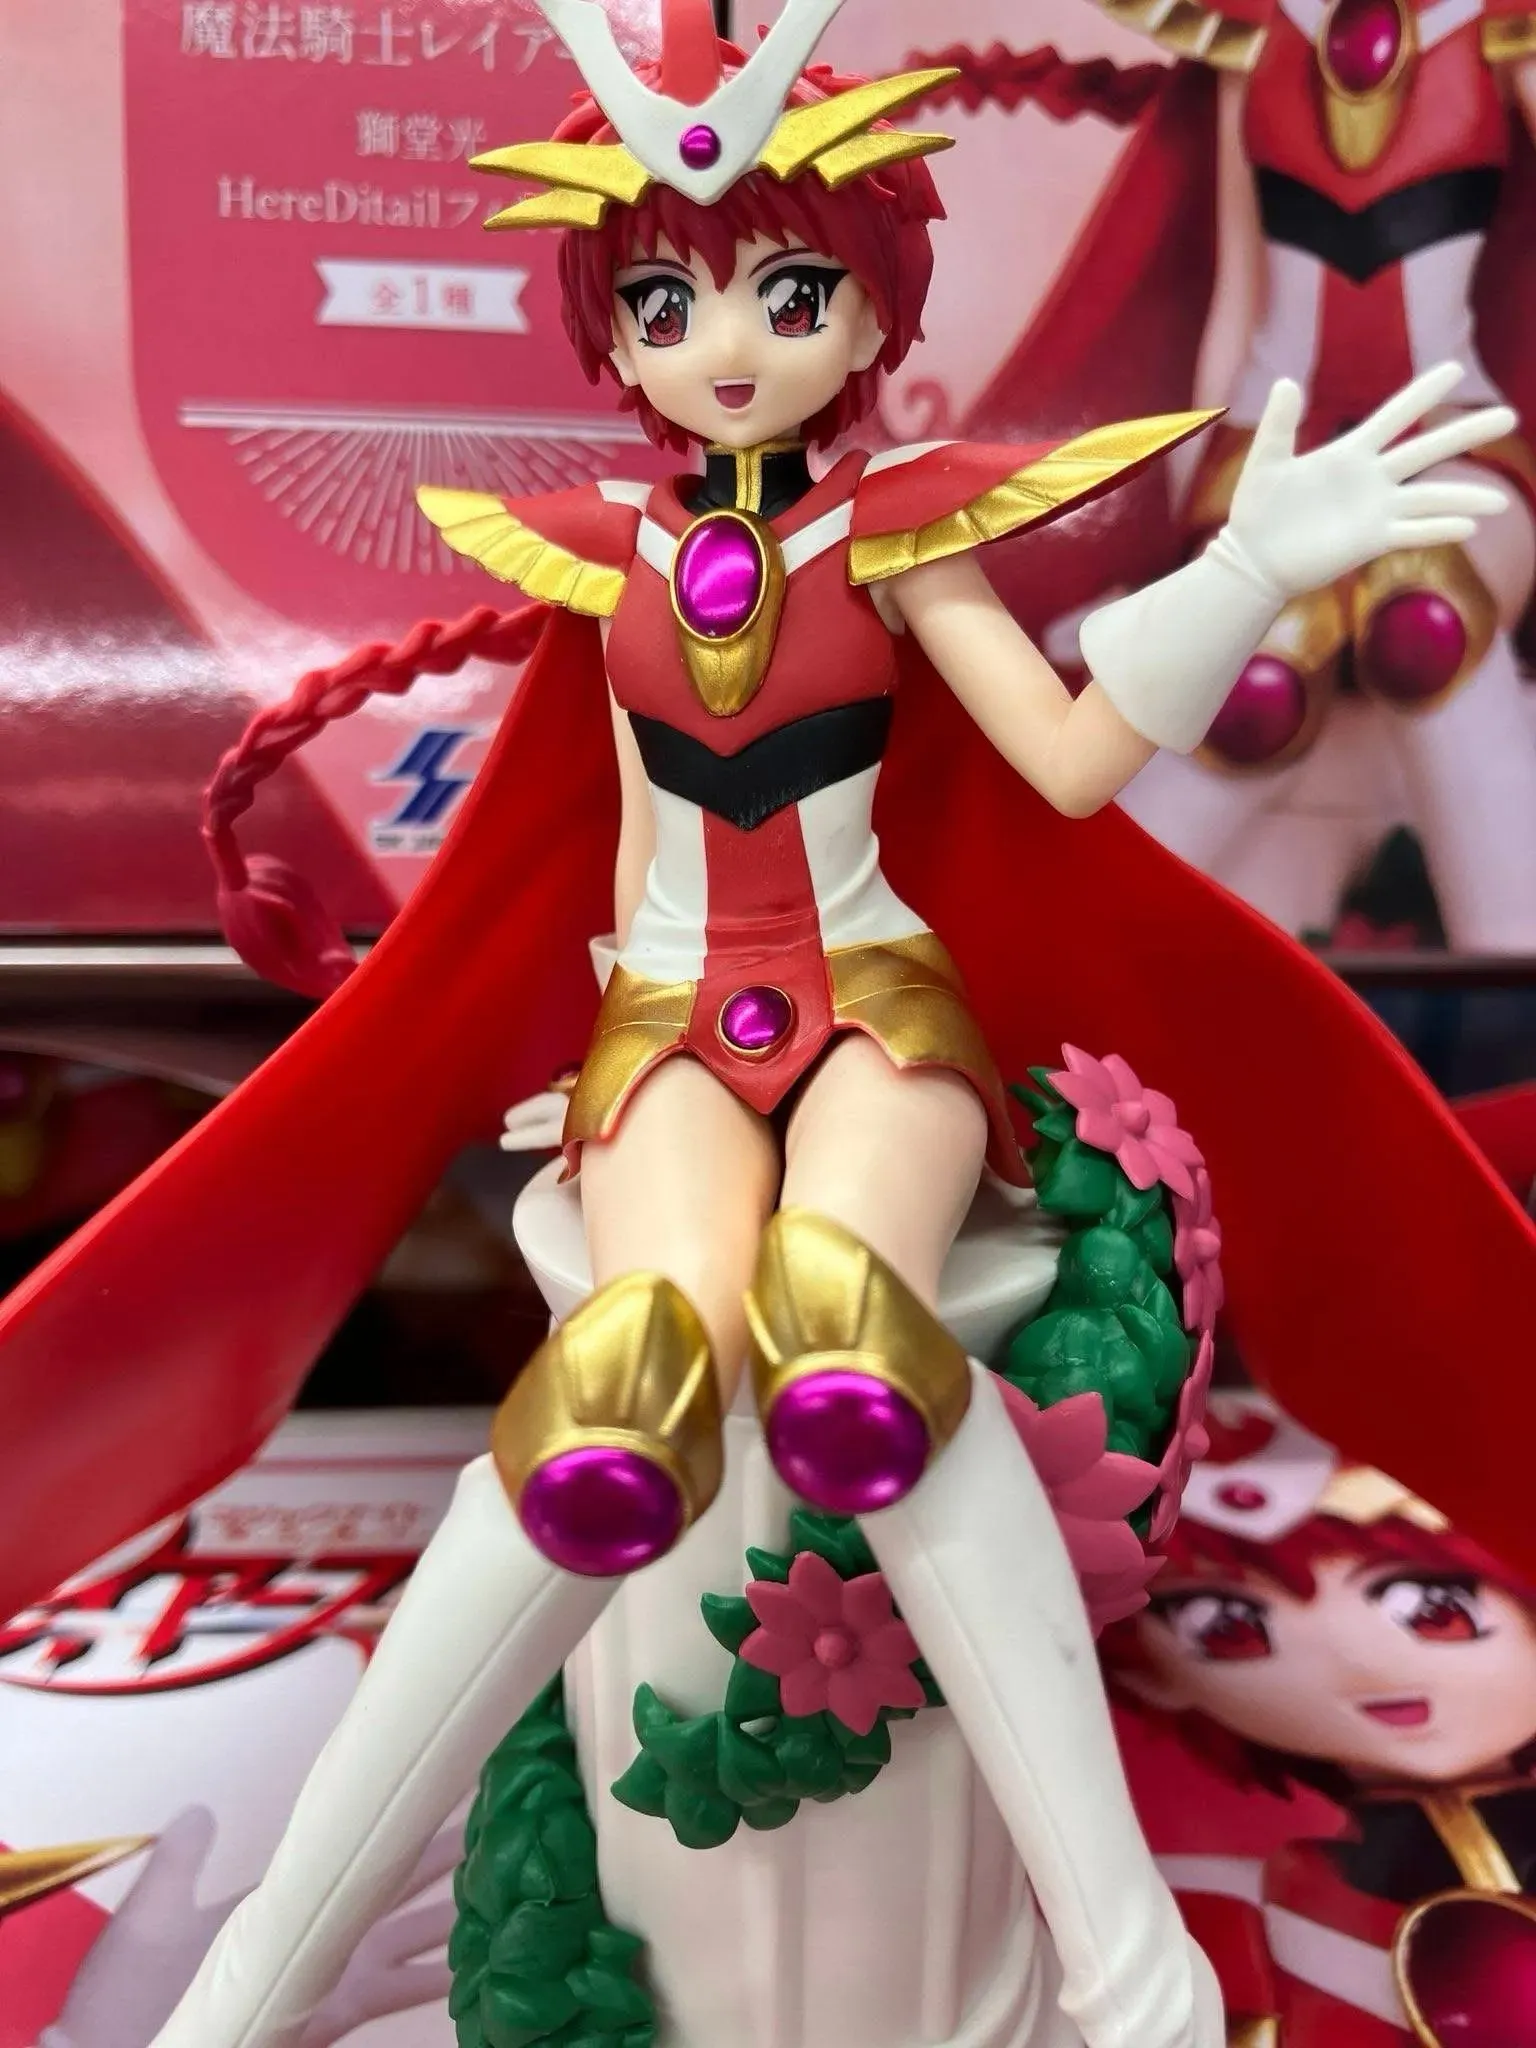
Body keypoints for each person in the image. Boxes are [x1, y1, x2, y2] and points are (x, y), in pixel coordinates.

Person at [0, 1, 1529, 2042]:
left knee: (853, 1338)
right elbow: (602, 834)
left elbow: (1072, 761)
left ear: (871, 310)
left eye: (787, 290)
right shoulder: (609, 558)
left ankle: (1118, 1946)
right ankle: (268, 1960)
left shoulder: (898, 536)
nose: (726, 340)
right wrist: (559, 1037)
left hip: (878, 1008)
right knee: (627, 1379)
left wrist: (1249, 565)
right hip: (660, 1028)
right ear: (617, 340)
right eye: (667, 300)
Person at [961, 1, 1536, 947]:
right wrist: (1200, 517)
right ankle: (1063, 965)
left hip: (1451, 433)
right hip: (1273, 443)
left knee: (1422, 620)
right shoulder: (1256, 35)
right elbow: (1237, 291)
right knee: (1252, 689)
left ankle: (1512, 976)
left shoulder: (1500, 27)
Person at [1108, 1396, 1536, 2044]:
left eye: (1436, 1610)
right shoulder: (1279, 1892)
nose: (1365, 1668)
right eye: (1230, 1628)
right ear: (1151, 1674)